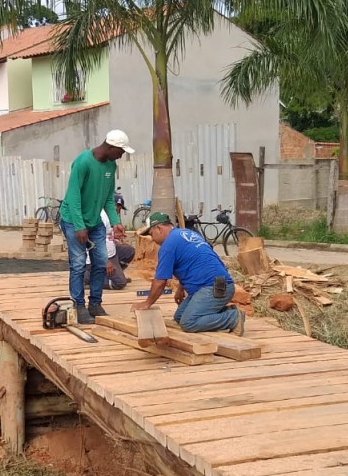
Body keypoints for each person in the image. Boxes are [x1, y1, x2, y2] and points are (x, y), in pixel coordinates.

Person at [59, 130, 134, 323]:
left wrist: (116, 223)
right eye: (121, 151)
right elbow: (73, 195)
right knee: (77, 264)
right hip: (73, 220)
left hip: (95, 222)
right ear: (111, 147)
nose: (121, 155)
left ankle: (95, 303)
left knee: (100, 262)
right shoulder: (83, 162)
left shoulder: (111, 165)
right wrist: (79, 226)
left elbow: (109, 198)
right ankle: (79, 305)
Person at [131, 212, 245, 335]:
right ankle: (221, 311)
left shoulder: (168, 246)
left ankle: (233, 318)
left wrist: (147, 303)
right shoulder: (188, 234)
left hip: (214, 288)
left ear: (159, 228)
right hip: (216, 285)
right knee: (179, 317)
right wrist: (181, 289)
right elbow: (192, 262)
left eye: (151, 234)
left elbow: (160, 281)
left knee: (188, 322)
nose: (152, 239)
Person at [83, 210, 136, 290]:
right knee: (119, 283)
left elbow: (106, 235)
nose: (117, 208)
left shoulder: (108, 214)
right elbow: (95, 242)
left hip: (110, 253)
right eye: (115, 205)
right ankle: (87, 277)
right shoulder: (100, 216)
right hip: (97, 257)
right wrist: (106, 261)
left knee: (129, 251)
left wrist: (115, 235)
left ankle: (112, 275)